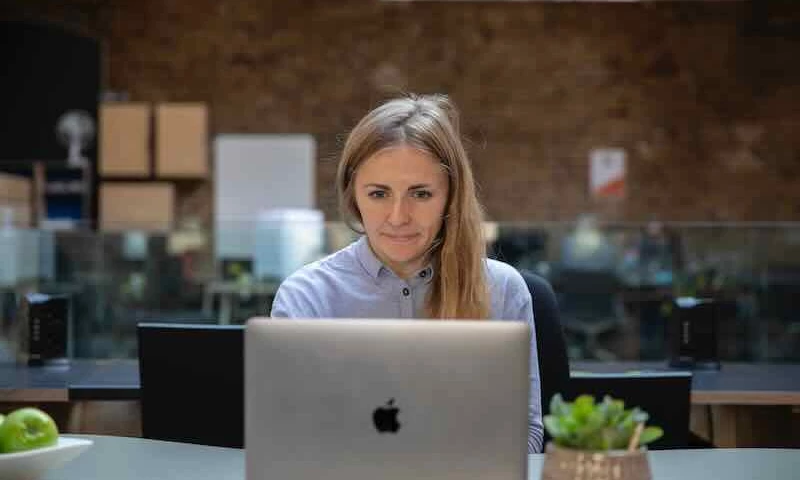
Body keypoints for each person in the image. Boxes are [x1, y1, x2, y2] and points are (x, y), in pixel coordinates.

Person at [270, 93, 543, 453]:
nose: (398, 217)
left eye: (421, 194)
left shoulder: (502, 289)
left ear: (450, 197)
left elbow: (527, 435)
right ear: (353, 196)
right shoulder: (307, 297)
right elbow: (288, 441)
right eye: (378, 194)